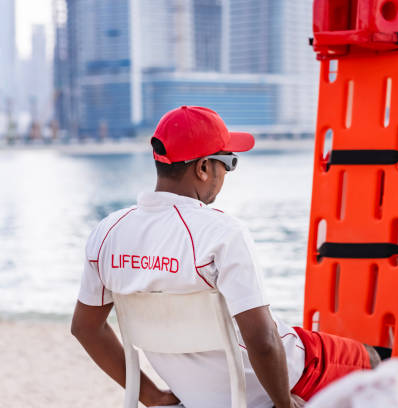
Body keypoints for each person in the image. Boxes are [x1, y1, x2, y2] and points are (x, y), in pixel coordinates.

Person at [71, 106, 380, 408]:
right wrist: (283, 402)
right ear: (203, 168)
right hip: (286, 374)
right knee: (376, 361)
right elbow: (262, 340)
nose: (227, 174)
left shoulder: (108, 233)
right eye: (229, 162)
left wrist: (151, 396)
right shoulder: (220, 232)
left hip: (198, 393)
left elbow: (85, 328)